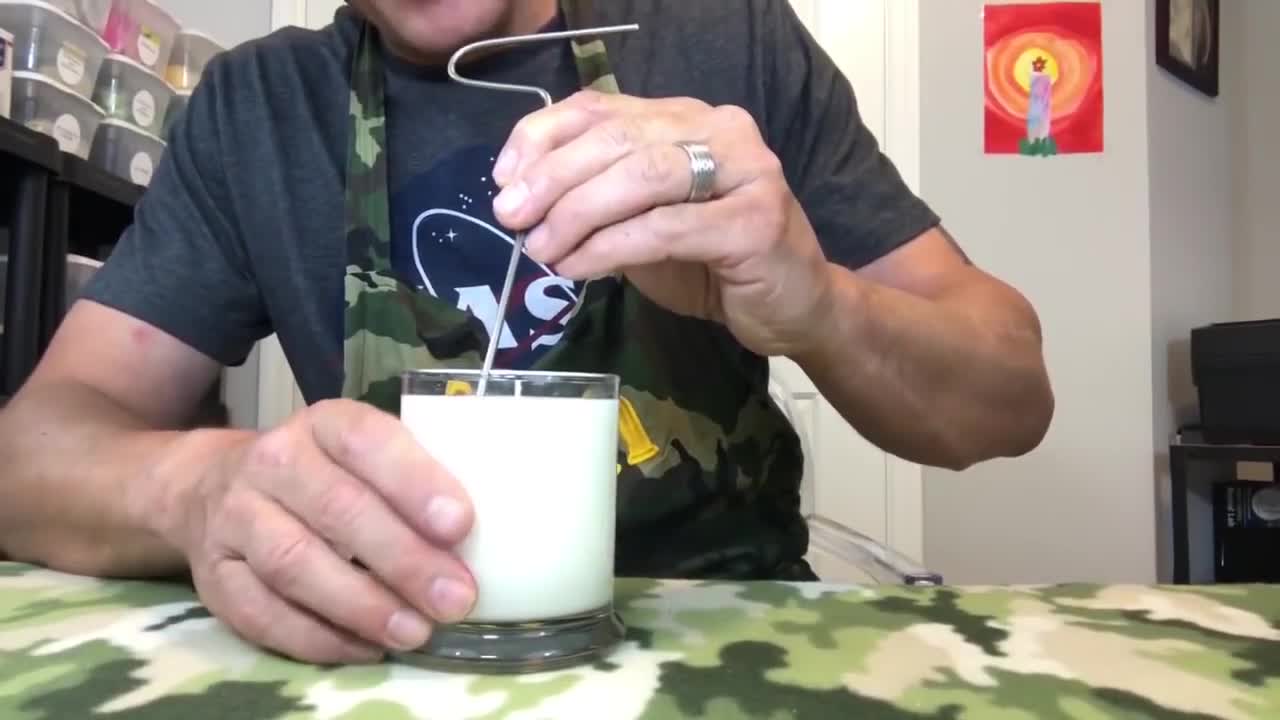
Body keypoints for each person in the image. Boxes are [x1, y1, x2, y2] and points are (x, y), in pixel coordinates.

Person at [0, 0, 1054, 665]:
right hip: (399, 650)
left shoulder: (725, 34)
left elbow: (1009, 396)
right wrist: (196, 490)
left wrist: (820, 306)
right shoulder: (260, 109)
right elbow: (29, 457)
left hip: (730, 647)